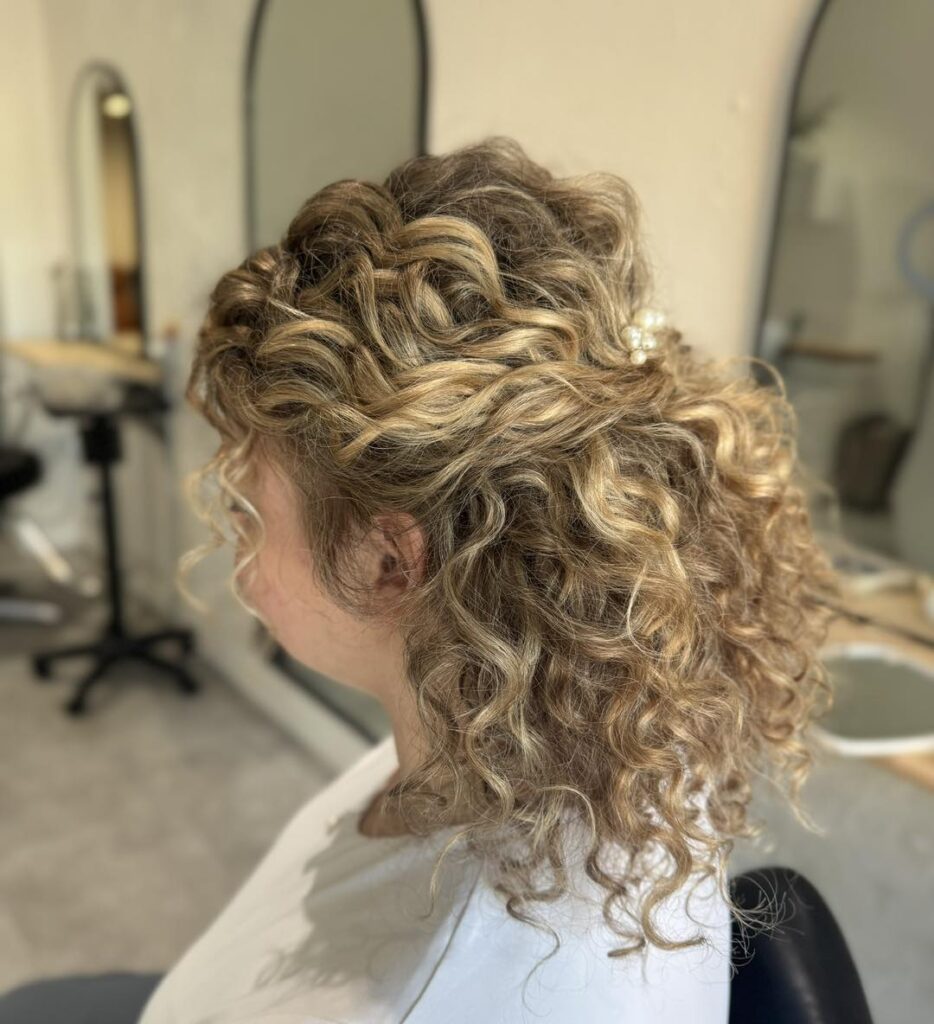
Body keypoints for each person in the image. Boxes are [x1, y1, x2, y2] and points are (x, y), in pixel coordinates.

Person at [138, 136, 839, 1023]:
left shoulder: (448, 993)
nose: (234, 555)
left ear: (388, 560)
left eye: (246, 515)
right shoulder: (586, 722)